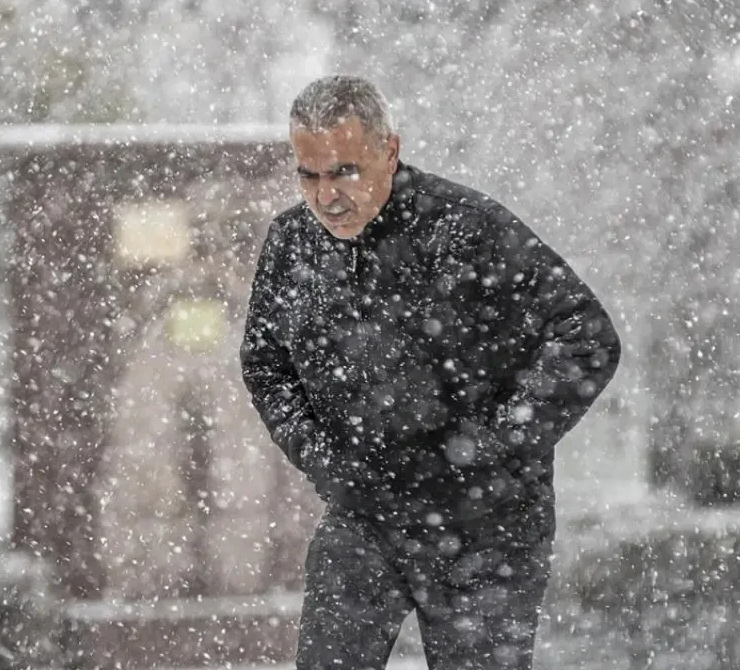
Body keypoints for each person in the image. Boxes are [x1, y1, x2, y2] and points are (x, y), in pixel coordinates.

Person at [240, 75, 621, 670]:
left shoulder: (469, 230)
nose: (326, 196)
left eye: (344, 170)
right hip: (363, 515)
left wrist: (490, 445)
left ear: (389, 151)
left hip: (486, 526)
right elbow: (266, 364)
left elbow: (586, 338)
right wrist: (320, 456)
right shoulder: (292, 244)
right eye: (309, 175)